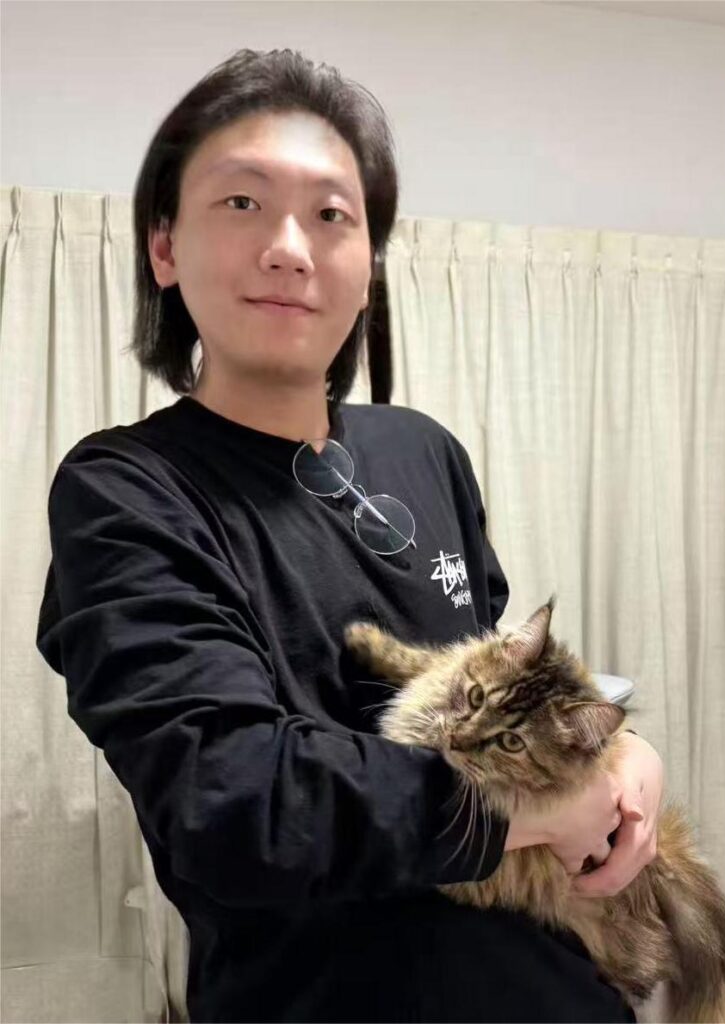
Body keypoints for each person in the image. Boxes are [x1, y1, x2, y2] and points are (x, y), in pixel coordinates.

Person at [36, 48, 664, 1023]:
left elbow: (508, 679)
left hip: (557, 987)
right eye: (242, 202)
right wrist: (524, 805)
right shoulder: (127, 491)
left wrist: (621, 757)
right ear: (164, 248)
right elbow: (228, 800)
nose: (289, 247)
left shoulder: (424, 451)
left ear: (367, 266)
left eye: (331, 215)